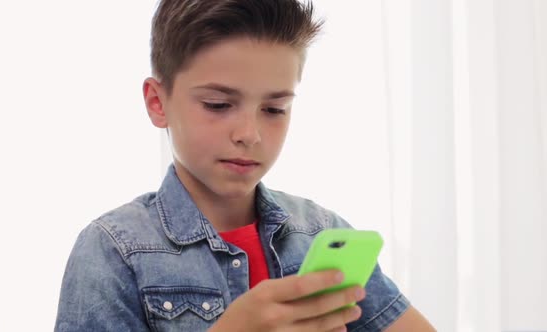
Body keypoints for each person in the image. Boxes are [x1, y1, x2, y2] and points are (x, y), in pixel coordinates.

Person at [55, 0, 435, 331]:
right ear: (158, 102)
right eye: (218, 105)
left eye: (274, 109)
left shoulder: (320, 232)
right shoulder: (113, 250)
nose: (249, 133)